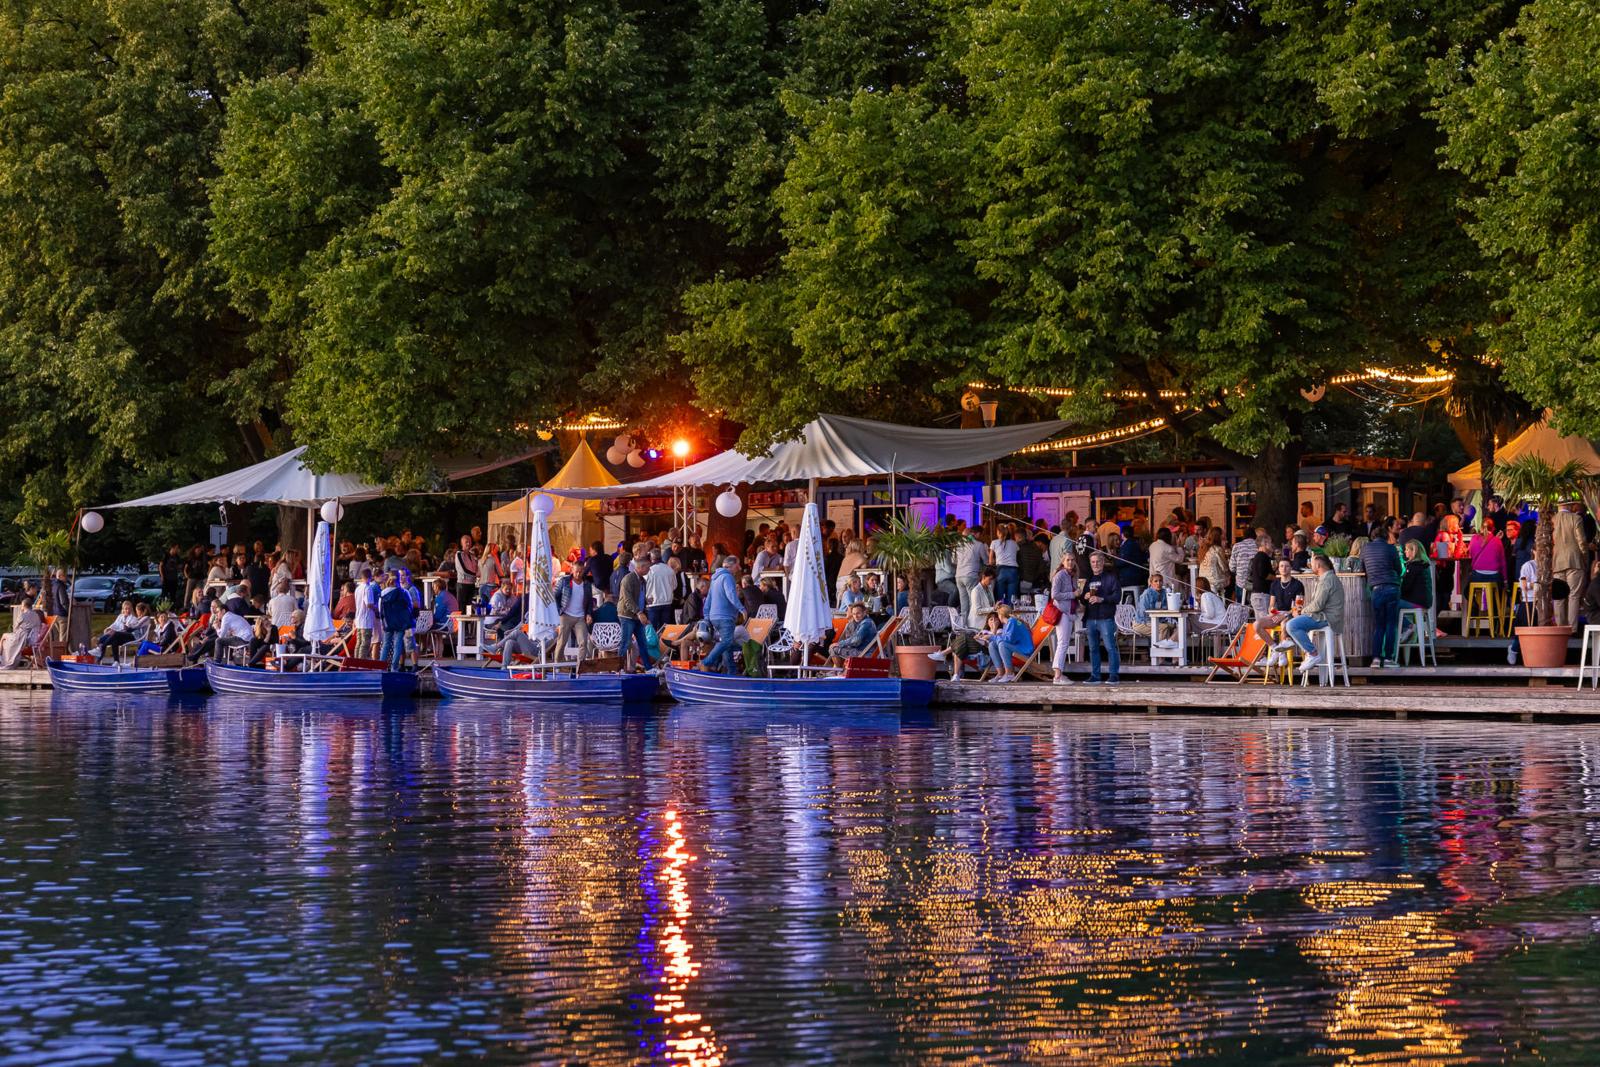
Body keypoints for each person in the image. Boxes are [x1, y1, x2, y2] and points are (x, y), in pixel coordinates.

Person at [1278, 554, 1344, 674]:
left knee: (1292, 625)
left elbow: (1318, 605)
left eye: (1312, 564)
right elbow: (1318, 605)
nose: (1310, 565)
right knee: (1291, 621)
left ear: (1318, 565)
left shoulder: (1326, 580)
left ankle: (1312, 653)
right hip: (1328, 616)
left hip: (1328, 618)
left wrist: (1301, 611)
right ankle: (1288, 642)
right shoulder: (1328, 578)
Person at [1360, 523, 1402, 668]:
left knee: (1379, 625)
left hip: (1376, 589)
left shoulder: (1365, 549)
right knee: (1391, 624)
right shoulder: (1391, 548)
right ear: (1386, 536)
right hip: (1391, 587)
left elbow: (1362, 568)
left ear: (1372, 536)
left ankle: (1376, 659)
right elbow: (1398, 568)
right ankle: (1389, 659)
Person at [1081, 551, 1121, 685]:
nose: (1095, 564)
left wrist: (1101, 599)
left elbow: (1117, 597)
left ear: (1103, 562)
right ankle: (1095, 675)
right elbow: (1082, 600)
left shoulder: (1111, 577)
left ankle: (1114, 675)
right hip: (1091, 618)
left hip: (1106, 617)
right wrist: (1084, 597)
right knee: (1093, 648)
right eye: (1093, 562)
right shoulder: (1089, 579)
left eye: (1098, 561)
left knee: (1110, 647)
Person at [701, 556, 742, 674]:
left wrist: (707, 617)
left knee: (726, 645)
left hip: (715, 617)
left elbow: (708, 600)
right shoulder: (728, 577)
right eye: (737, 565)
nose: (739, 568)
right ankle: (707, 662)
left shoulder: (714, 579)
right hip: (725, 617)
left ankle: (731, 672)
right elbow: (731, 595)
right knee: (727, 642)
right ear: (731, 566)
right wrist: (741, 608)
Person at [1553, 498, 1587, 630]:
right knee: (1574, 595)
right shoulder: (1576, 519)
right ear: (1570, 505)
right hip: (1574, 561)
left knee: (1559, 596)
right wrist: (1584, 559)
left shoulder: (1552, 520)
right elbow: (1582, 542)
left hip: (1556, 562)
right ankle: (1572, 628)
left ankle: (1560, 627)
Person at [552, 565, 595, 665]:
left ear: (583, 571)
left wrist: (589, 614)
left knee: (583, 642)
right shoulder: (564, 581)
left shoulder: (587, 584)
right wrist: (559, 611)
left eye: (580, 572)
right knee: (561, 642)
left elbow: (589, 602)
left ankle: (580, 666)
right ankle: (557, 665)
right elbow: (555, 596)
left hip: (580, 617)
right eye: (576, 571)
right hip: (566, 615)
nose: (578, 574)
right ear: (572, 570)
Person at [1048, 552, 1079, 686]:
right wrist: (1073, 594)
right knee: (1063, 643)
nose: (1070, 562)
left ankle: (1059, 674)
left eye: (1072, 560)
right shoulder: (1060, 575)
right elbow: (1054, 595)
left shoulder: (1072, 575)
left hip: (1069, 612)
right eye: (1068, 560)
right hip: (1061, 612)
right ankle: (1057, 676)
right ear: (1063, 561)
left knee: (1064, 642)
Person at [985, 602, 1033, 682]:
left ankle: (1009, 674)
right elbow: (1007, 639)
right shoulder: (1007, 624)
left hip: (1025, 650)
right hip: (1017, 647)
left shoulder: (1012, 621)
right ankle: (1000, 674)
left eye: (998, 615)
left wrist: (992, 636)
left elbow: (1008, 640)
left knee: (1002, 644)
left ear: (1001, 615)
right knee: (992, 644)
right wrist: (992, 638)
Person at [378, 574, 416, 672]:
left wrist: (383, 621)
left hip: (388, 622)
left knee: (385, 644)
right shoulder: (404, 592)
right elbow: (410, 606)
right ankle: (394, 667)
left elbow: (380, 609)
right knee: (398, 644)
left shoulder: (383, 593)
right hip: (400, 622)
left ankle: (381, 667)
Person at [1131, 572, 1175, 646]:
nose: (1158, 583)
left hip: (1158, 621)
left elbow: (1166, 609)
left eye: (1160, 581)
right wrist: (1157, 620)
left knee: (1174, 626)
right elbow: (1143, 613)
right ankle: (1159, 653)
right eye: (1156, 581)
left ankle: (1171, 653)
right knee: (1163, 628)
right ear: (1151, 583)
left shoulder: (1164, 593)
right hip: (1141, 622)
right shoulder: (1147, 594)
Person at [0, 597, 45, 669]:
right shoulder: (36, 615)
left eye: (21, 605)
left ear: (24, 605)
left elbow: (15, 628)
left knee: (4, 637)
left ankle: (3, 659)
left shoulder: (23, 615)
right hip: (32, 638)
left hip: (21, 637)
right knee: (7, 639)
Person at [954, 527, 987, 619]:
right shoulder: (979, 545)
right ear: (972, 534)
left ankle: (964, 627)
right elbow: (986, 561)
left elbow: (954, 560)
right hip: (970, 575)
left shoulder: (958, 545)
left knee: (964, 603)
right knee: (973, 601)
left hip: (959, 576)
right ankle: (972, 626)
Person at [645, 551, 676, 630]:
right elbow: (674, 586)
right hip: (667, 602)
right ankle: (663, 642)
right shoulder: (669, 569)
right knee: (665, 630)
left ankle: (654, 643)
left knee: (653, 631)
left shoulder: (649, 570)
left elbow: (644, 586)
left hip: (652, 603)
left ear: (652, 559)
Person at [990, 523, 1020, 604]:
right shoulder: (1014, 543)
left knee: (1000, 598)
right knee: (1012, 598)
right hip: (1013, 571)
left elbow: (990, 561)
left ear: (999, 532)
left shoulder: (994, 542)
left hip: (1001, 570)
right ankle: (1010, 615)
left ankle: (1001, 615)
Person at [1199, 528, 1232, 600]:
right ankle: (1226, 602)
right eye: (1223, 537)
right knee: (1232, 579)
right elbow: (1224, 568)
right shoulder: (1217, 549)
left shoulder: (1203, 548)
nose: (1225, 540)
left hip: (1202, 579)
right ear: (1218, 537)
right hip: (1214, 581)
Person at [1148, 527, 1182, 593]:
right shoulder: (1168, 548)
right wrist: (1179, 547)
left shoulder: (1152, 545)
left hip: (1152, 578)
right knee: (1180, 579)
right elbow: (1179, 559)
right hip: (1165, 580)